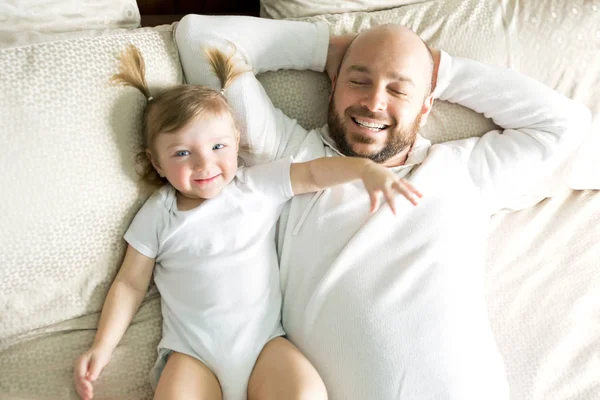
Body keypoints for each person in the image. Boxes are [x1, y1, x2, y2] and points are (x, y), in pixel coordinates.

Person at [174, 15, 591, 400]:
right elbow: (202, 39)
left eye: (398, 89)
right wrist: (325, 48)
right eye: (360, 81)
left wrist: (438, 68)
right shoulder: (290, 159)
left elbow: (565, 125)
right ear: (332, 83)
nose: (374, 102)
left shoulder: (461, 171)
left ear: (426, 105)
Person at [72, 44, 423, 400]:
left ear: (236, 142)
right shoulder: (158, 214)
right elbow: (130, 284)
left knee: (305, 393)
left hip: (263, 346)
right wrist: (102, 347)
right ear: (157, 163)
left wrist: (363, 169)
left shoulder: (254, 186)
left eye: (218, 147)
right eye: (182, 153)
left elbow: (315, 173)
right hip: (193, 355)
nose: (204, 164)